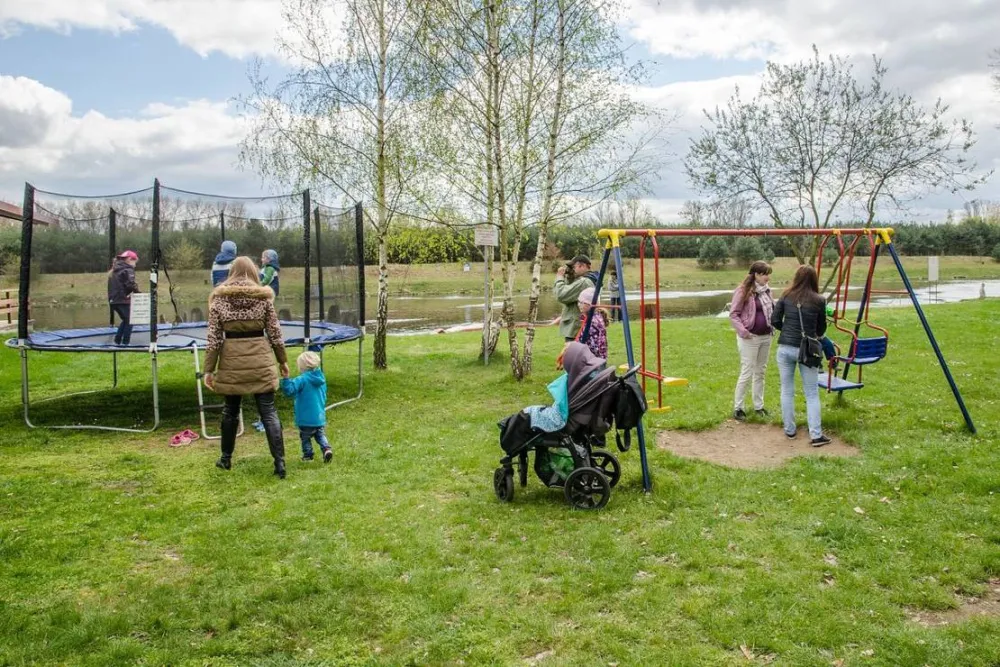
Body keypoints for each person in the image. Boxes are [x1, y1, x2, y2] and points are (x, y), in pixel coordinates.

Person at [203, 256, 291, 477]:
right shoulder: (264, 299)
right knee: (268, 411)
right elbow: (275, 334)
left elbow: (213, 339)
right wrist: (282, 360)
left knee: (230, 411)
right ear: (253, 272)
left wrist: (208, 369)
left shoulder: (219, 300)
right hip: (260, 359)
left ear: (232, 272)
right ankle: (279, 463)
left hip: (232, 360)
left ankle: (225, 459)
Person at [771, 265, 832, 447]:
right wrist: (809, 335)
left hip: (785, 347)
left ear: (796, 277)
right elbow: (821, 328)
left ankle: (790, 430)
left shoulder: (786, 295)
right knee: (812, 393)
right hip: (808, 349)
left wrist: (788, 331)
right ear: (814, 279)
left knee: (786, 390)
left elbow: (775, 320)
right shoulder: (819, 300)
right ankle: (816, 435)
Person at [729, 260, 775, 421]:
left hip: (766, 336)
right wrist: (744, 331)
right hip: (750, 337)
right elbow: (733, 314)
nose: (767, 277)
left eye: (769, 274)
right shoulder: (743, 291)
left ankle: (759, 406)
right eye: (764, 274)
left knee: (760, 371)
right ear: (755, 274)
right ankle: (738, 407)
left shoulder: (767, 291)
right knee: (747, 371)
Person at [280, 350, 332, 463]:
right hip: (319, 415)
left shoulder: (302, 379)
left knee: (305, 438)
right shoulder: (321, 378)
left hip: (305, 417)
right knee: (320, 434)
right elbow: (324, 394)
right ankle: (326, 449)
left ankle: (308, 456)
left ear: (302, 366)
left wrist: (285, 379)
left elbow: (290, 391)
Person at [554, 254, 598, 341]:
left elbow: (561, 295)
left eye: (574, 267)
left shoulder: (584, 282)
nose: (573, 270)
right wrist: (569, 276)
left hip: (576, 329)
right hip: (581, 326)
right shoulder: (590, 279)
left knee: (574, 354)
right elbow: (570, 289)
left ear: (583, 266)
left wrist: (559, 277)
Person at [108, 250, 140, 346]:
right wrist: (138, 292)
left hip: (114, 300)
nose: (135, 265)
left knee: (126, 320)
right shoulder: (128, 269)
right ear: (130, 259)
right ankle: (126, 343)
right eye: (135, 262)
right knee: (130, 320)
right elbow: (130, 285)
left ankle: (117, 341)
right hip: (122, 299)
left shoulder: (115, 269)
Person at [576, 287, 608, 360]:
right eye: (578, 302)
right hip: (595, 361)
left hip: (593, 363)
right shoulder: (593, 316)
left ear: (590, 304)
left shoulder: (593, 322)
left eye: (582, 302)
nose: (578, 305)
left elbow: (592, 347)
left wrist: (572, 347)